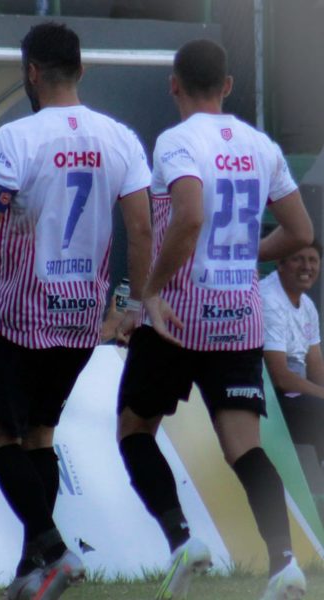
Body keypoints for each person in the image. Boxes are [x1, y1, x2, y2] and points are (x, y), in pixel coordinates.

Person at [0, 21, 152, 600]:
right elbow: (140, 230)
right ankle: (29, 571)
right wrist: (132, 309)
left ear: (31, 73)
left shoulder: (17, 137)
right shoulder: (119, 137)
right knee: (39, 436)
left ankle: (54, 548)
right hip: (79, 319)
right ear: (82, 70)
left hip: (18, 317)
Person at [116, 39, 314, 600]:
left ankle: (182, 540)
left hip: (178, 314)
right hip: (239, 315)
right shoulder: (261, 145)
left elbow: (190, 216)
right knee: (244, 447)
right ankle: (283, 565)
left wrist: (150, 291)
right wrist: (246, 254)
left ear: (173, 84)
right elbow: (300, 233)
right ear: (228, 86)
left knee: (134, 429)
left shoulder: (176, 141)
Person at [261, 241, 324, 465]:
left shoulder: (307, 305)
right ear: (280, 263)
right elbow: (281, 378)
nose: (307, 266)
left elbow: (316, 365)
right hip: (267, 397)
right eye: (298, 259)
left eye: (313, 260)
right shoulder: (269, 299)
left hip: (296, 393)